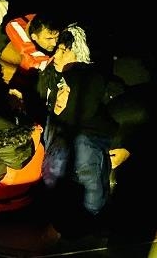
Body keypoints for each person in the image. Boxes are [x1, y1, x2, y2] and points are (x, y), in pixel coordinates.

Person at [36, 24, 118, 239]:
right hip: (58, 136)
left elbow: (92, 200)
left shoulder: (93, 80)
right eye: (57, 49)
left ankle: (80, 225)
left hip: (85, 139)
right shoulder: (51, 76)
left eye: (64, 50)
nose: (57, 55)